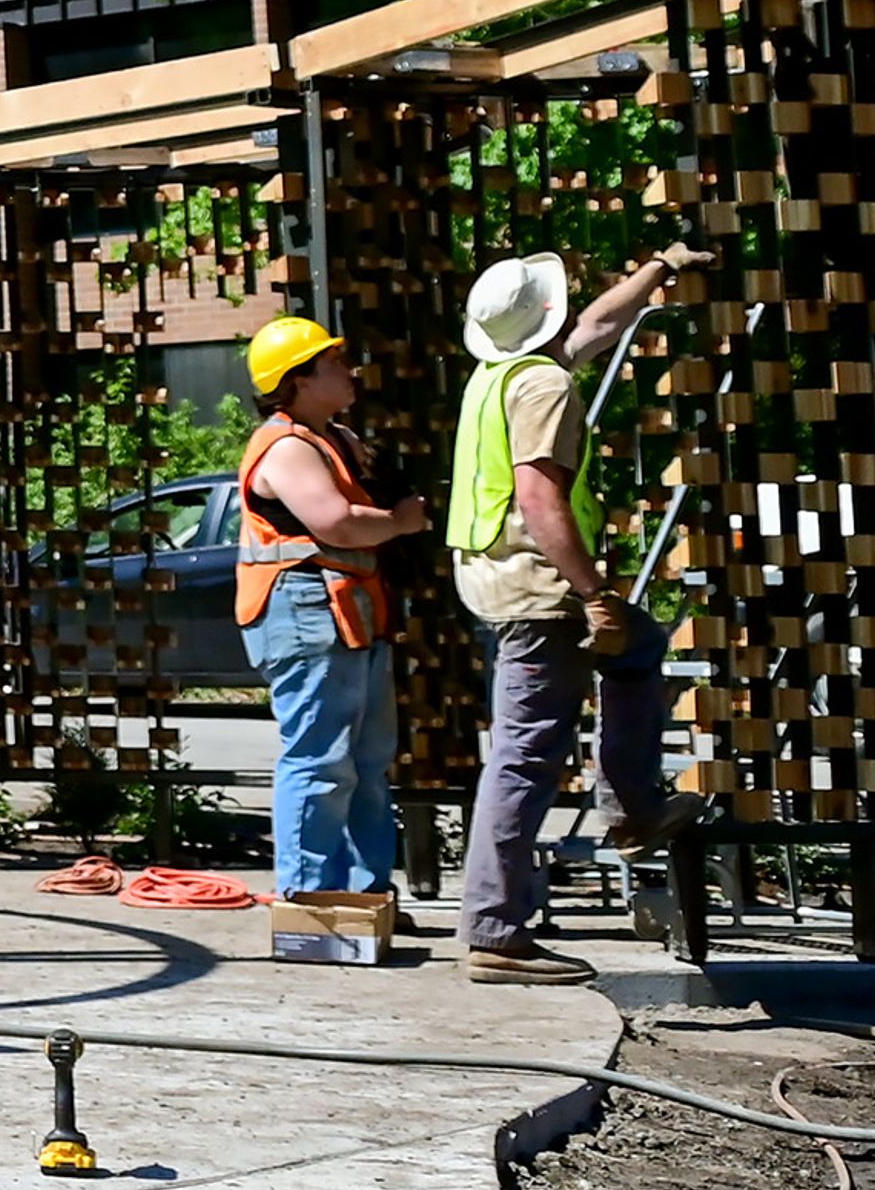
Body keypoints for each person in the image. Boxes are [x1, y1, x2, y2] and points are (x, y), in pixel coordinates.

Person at [450, 242, 700, 985]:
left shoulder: (502, 373)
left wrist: (657, 267)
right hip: (536, 588)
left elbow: (595, 322)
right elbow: (539, 497)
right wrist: (593, 591)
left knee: (637, 646)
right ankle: (495, 929)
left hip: (498, 577)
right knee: (525, 753)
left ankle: (632, 806)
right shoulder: (544, 389)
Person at [235, 317, 433, 911]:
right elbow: (336, 522)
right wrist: (402, 521)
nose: (349, 371)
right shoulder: (287, 446)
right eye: (332, 363)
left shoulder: (331, 437)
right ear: (296, 381)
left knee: (366, 764)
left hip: (349, 615)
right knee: (321, 761)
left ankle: (363, 897)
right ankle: (311, 901)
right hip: (307, 617)